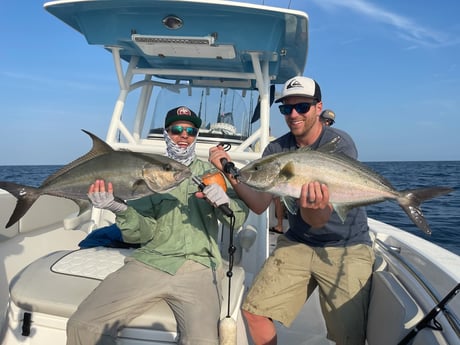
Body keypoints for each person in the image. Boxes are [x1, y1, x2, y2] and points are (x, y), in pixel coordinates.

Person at [208, 77, 374, 345]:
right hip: (298, 241)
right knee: (254, 311)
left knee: (348, 336)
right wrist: (229, 172)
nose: (293, 114)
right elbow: (260, 204)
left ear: (318, 107)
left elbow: (320, 218)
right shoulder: (276, 149)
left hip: (347, 246)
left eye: (302, 107)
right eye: (286, 109)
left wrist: (312, 207)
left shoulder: (339, 143)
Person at [66, 106, 249, 345]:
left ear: (196, 136)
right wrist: (118, 208)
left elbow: (238, 218)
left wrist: (225, 202)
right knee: (81, 325)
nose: (184, 136)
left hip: (200, 266)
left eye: (190, 131)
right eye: (176, 130)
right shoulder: (146, 172)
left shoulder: (211, 173)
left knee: (203, 341)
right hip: (150, 261)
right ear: (166, 133)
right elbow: (141, 233)